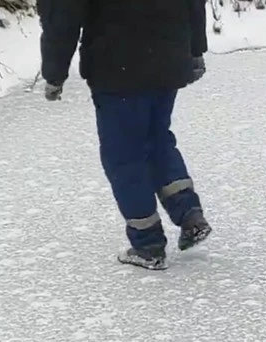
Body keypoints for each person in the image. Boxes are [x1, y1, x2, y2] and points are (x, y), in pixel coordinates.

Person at [38, 0, 213, 270]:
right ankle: (189, 214)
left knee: (124, 154)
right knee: (157, 139)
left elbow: (62, 13)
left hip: (118, 65)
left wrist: (54, 72)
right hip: (168, 56)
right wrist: (195, 50)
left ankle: (148, 244)